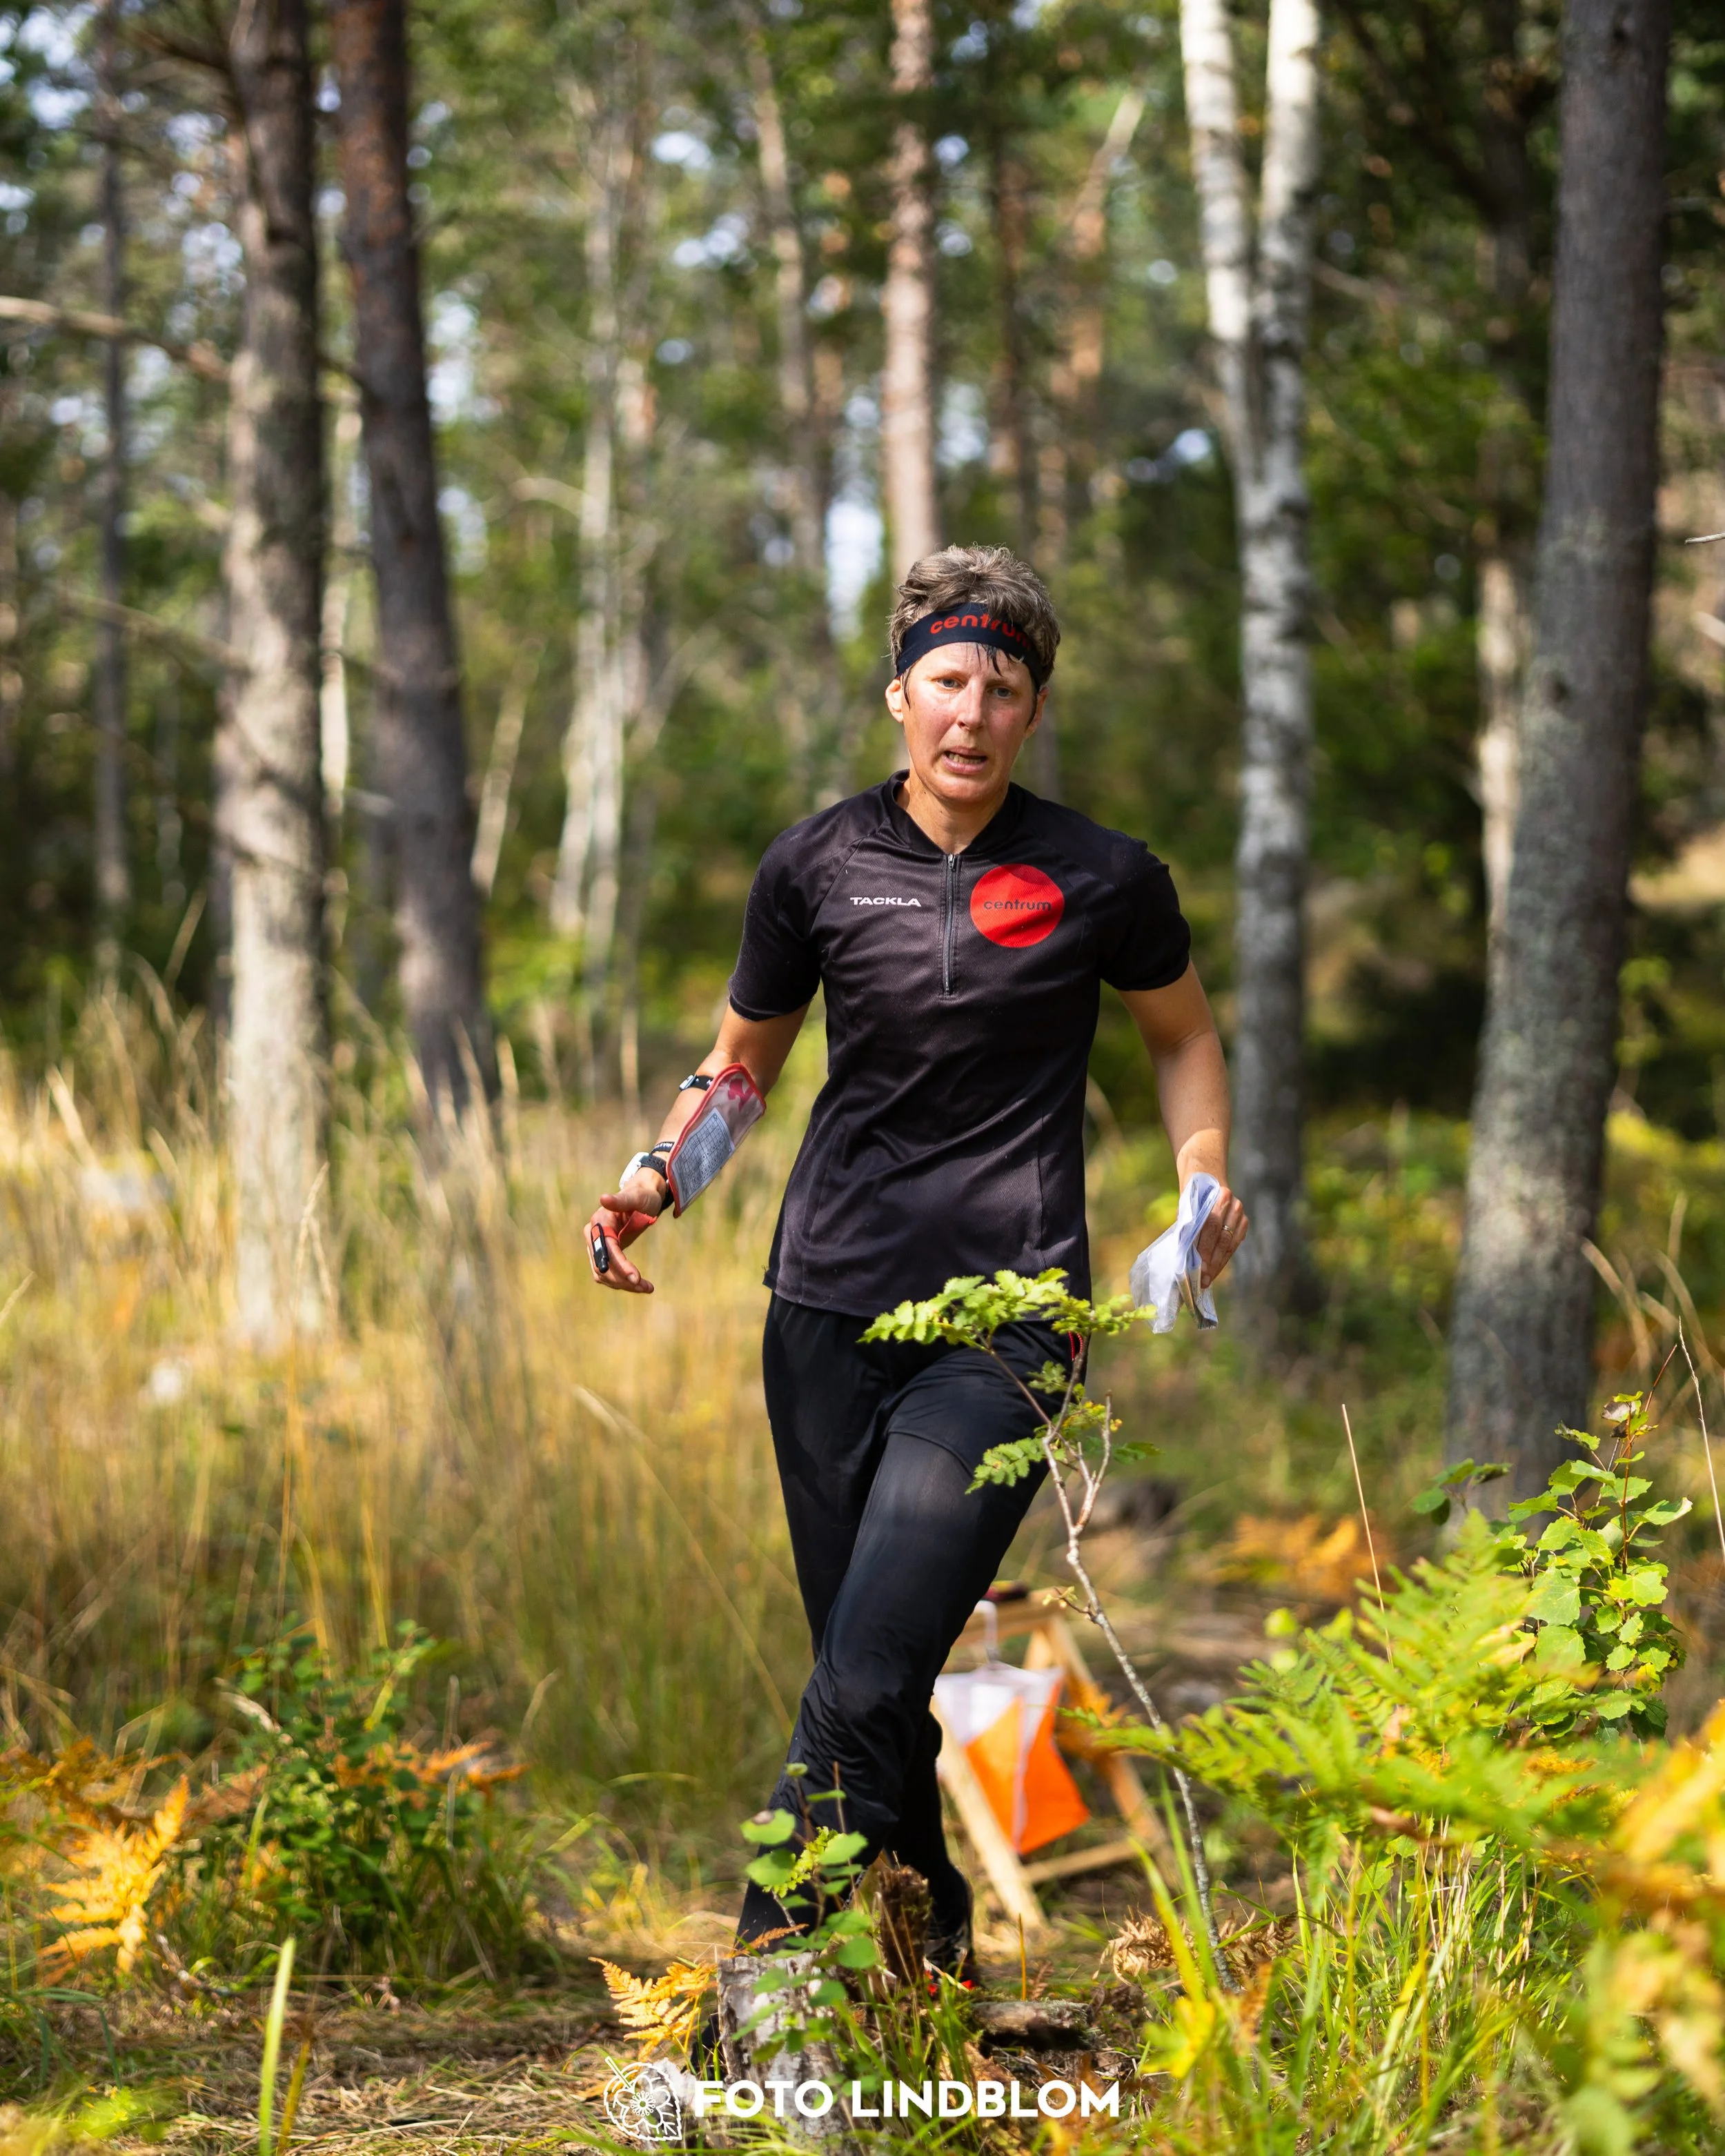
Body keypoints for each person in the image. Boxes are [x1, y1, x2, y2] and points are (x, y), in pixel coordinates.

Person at [584, 544, 1247, 1977]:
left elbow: (1182, 1035)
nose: (971, 709)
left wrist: (1200, 1184)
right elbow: (739, 1068)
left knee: (871, 1662)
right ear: (898, 694)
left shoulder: (1100, 875)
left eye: (1002, 688)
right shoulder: (815, 862)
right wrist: (660, 1175)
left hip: (1008, 1319)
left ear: (1030, 713)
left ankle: (762, 1991)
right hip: (823, 1304)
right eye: (947, 678)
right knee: (866, 1668)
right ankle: (923, 1948)